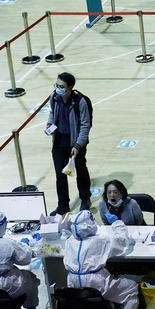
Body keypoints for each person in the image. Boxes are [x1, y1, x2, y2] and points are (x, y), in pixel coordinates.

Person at [62, 210, 142, 309]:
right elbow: (121, 241)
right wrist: (117, 223)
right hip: (96, 283)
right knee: (131, 287)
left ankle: (105, 308)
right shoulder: (100, 241)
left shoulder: (69, 241)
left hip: (73, 285)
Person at [46, 72, 92, 215]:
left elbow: (85, 125)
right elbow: (52, 114)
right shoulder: (54, 97)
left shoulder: (81, 102)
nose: (58, 88)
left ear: (70, 87)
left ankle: (85, 199)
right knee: (60, 175)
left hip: (75, 142)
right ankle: (63, 205)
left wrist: (78, 145)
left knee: (81, 170)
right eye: (57, 85)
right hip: (59, 142)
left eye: (61, 86)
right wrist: (49, 127)